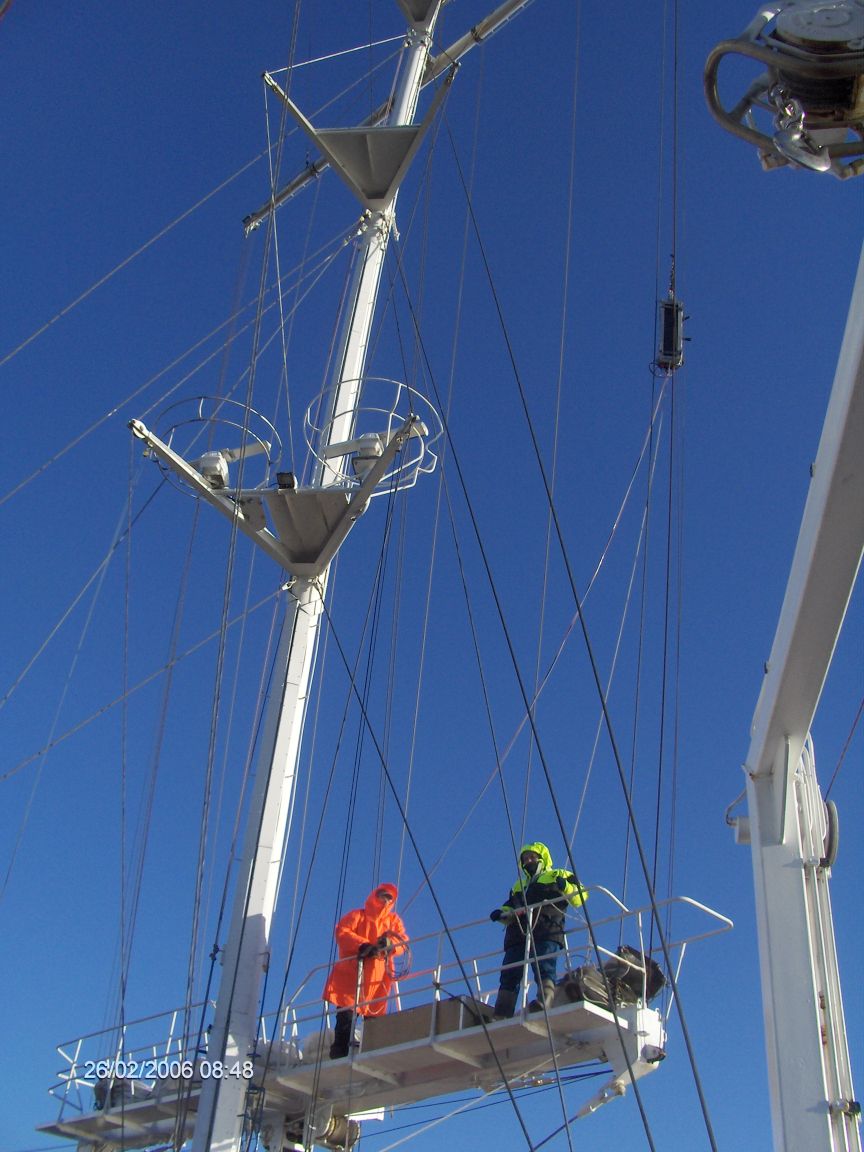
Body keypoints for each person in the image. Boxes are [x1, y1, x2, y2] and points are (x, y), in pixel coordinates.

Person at [489, 842, 587, 1017]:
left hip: (547, 928)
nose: (529, 860)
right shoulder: (519, 885)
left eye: (532, 857)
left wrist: (565, 886)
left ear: (542, 858)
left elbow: (581, 897)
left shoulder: (559, 874)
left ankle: (545, 1001)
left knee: (544, 966)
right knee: (510, 972)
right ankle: (502, 1013)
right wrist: (501, 914)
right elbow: (511, 906)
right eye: (525, 858)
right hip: (518, 934)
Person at [323, 882, 408, 1059]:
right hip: (352, 974)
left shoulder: (393, 921)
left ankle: (372, 1053)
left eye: (389, 898)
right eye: (383, 895)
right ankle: (339, 1052)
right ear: (375, 895)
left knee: (374, 1018)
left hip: (378, 978)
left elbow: (403, 942)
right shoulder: (357, 916)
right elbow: (342, 932)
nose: (385, 900)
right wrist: (362, 945)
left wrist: (390, 945)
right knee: (345, 1015)